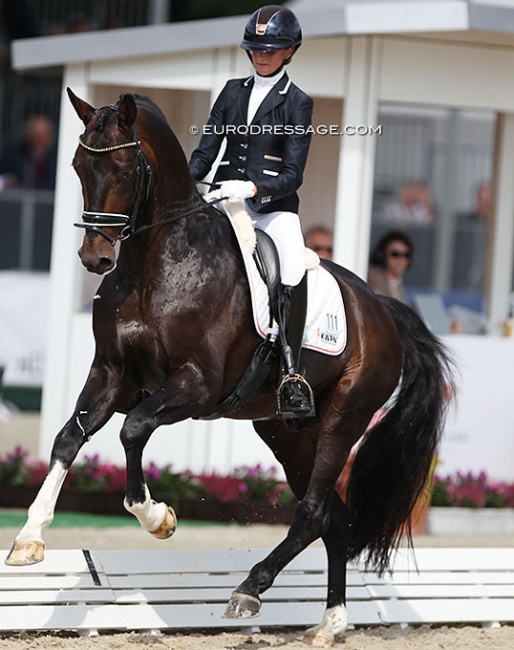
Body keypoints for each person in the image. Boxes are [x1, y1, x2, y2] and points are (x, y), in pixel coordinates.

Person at [189, 5, 314, 418]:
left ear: (289, 51)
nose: (261, 55)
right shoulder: (231, 91)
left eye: (271, 48)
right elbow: (206, 151)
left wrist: (256, 187)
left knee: (292, 266)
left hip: (271, 208)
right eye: (255, 48)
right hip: (225, 199)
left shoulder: (297, 103)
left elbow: (294, 173)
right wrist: (188, 188)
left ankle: (292, 374)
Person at [0, 114, 57, 191]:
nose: (47, 138)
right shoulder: (15, 155)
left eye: (47, 133)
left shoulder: (56, 157)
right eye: (39, 134)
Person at [367, 230, 414, 303]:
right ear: (382, 255)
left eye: (406, 255)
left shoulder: (398, 285)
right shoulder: (373, 281)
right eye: (395, 254)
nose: (401, 260)